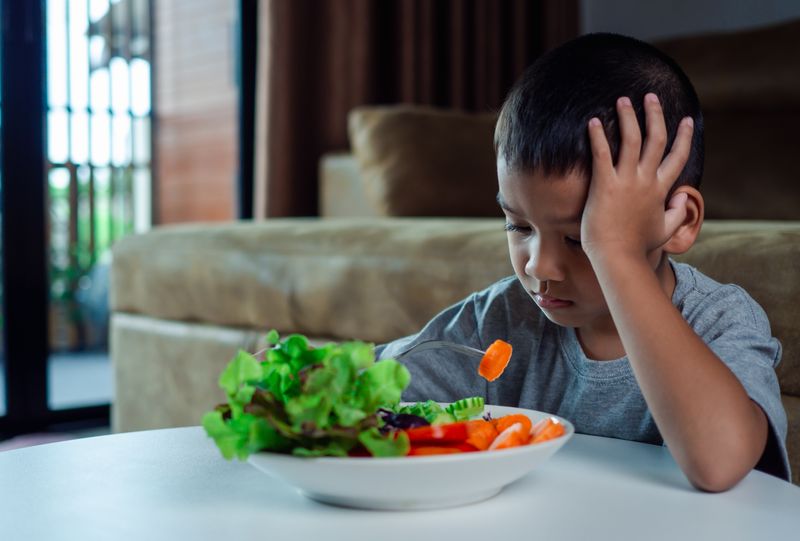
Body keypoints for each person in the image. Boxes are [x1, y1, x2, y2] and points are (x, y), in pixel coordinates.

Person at [375, 33, 789, 492]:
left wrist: (616, 255)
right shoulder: (498, 320)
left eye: (577, 238)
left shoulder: (720, 319)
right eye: (519, 227)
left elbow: (719, 464)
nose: (539, 267)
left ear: (678, 222)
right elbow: (372, 390)